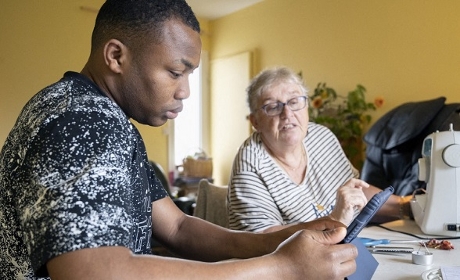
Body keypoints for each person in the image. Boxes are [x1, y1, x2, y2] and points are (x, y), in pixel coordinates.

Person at [0, 1, 359, 279]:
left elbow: (178, 226)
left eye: (189, 74)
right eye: (175, 72)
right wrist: (280, 269)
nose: (185, 91)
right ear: (116, 56)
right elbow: (92, 271)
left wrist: (283, 239)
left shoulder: (105, 119)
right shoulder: (83, 121)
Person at [228, 66, 410, 233]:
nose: (287, 114)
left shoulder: (320, 137)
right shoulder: (250, 161)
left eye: (294, 102)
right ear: (255, 122)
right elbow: (262, 241)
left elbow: (355, 194)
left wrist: (406, 206)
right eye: (273, 107)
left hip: (350, 245)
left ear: (306, 106)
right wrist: (333, 221)